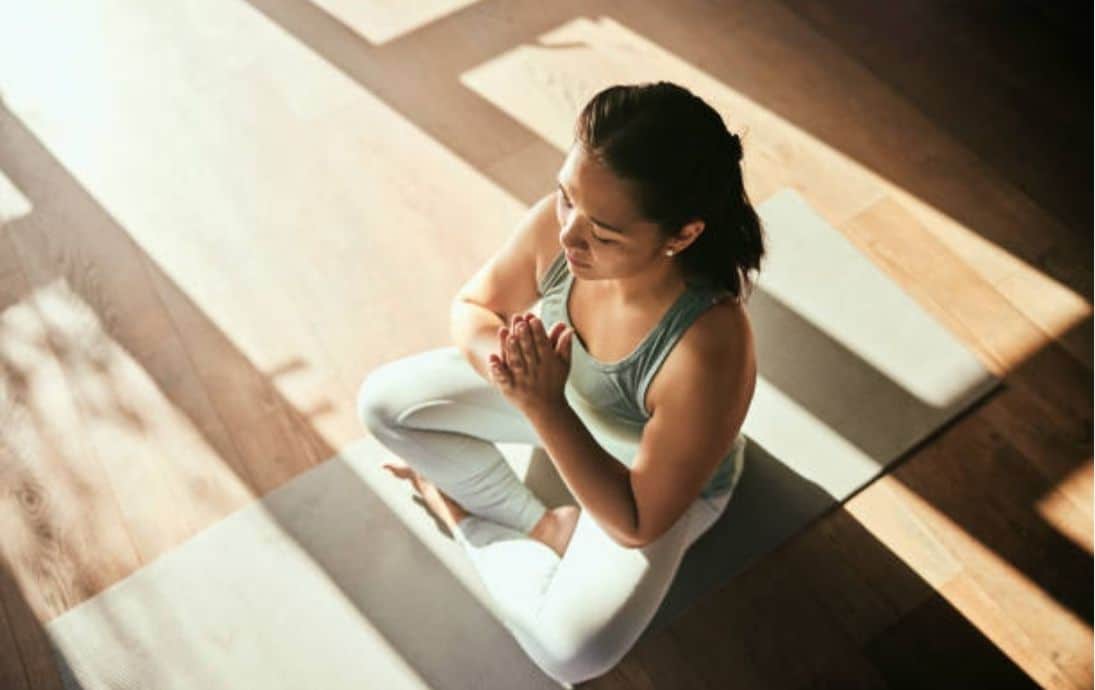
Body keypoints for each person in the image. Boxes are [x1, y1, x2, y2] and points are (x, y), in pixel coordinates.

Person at [356, 80, 767, 688]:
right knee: (384, 405)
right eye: (565, 197)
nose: (571, 235)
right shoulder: (564, 231)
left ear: (680, 236)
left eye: (604, 233)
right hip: (552, 399)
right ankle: (537, 526)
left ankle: (461, 511)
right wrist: (517, 367)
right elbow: (474, 307)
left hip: (644, 482)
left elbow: (636, 522)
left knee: (571, 655)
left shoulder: (710, 345)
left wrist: (543, 405)